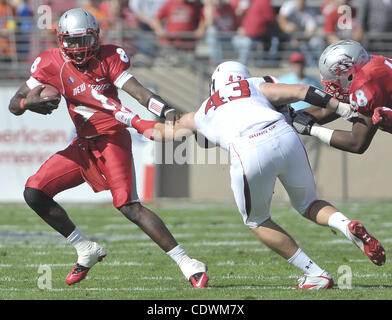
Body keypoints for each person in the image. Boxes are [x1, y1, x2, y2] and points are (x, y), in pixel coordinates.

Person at [133, 61, 386, 289]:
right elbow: (302, 92)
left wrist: (129, 119)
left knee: (257, 220)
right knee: (309, 202)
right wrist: (343, 109)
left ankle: (315, 274)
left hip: (248, 149)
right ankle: (345, 225)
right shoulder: (255, 85)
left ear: (215, 84)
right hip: (284, 134)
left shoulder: (202, 111)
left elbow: (167, 132)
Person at [7, 8, 209, 289]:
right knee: (34, 192)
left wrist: (167, 109)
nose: (79, 48)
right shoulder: (49, 62)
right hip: (82, 144)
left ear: (96, 37)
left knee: (129, 206)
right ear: (61, 40)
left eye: (84, 40)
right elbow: (13, 103)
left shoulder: (110, 56)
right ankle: (84, 248)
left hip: (112, 137)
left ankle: (188, 263)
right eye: (73, 41)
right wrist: (29, 104)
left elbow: (139, 92)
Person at [291, 39, 392, 154]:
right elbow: (332, 106)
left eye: (336, 82)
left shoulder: (365, 85)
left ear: (350, 74)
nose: (333, 88)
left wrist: (313, 129)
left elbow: (356, 143)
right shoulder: (368, 63)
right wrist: (291, 116)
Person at [231, 0, 279, 66]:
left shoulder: (257, 2)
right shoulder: (263, 1)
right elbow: (270, 18)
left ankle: (248, 65)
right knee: (274, 41)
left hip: (253, 35)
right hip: (251, 35)